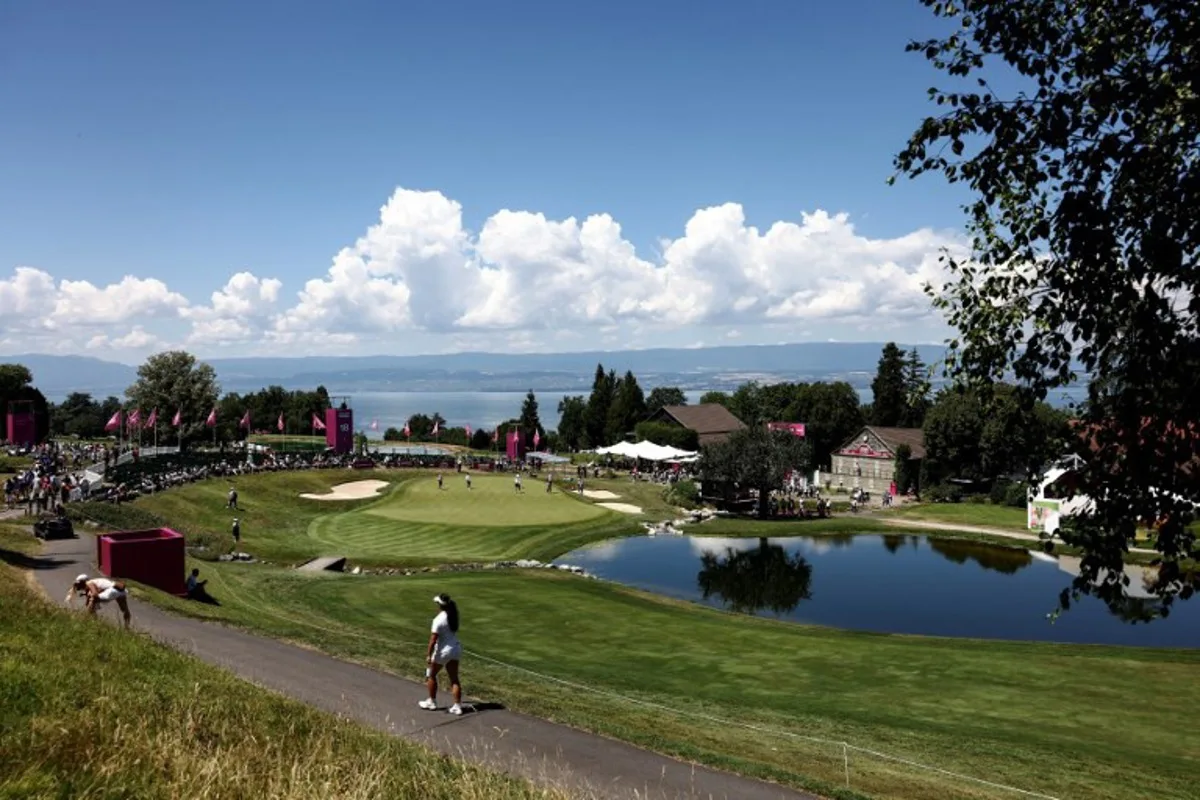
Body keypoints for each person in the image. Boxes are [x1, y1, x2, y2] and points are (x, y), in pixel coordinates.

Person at [419, 593, 463, 715]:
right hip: (455, 649)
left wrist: (429, 654)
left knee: (431, 675)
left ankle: (431, 701)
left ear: (440, 605)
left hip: (443, 651)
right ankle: (457, 706)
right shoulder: (453, 615)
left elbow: (433, 639)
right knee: (454, 678)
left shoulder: (438, 620)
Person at [66, 573, 131, 629]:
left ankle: (91, 622)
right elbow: (90, 599)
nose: (78, 586)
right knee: (125, 610)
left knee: (93, 598)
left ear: (83, 581)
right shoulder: (93, 583)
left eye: (79, 584)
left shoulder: (89, 583)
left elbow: (95, 594)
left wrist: (90, 601)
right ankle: (127, 627)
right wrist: (88, 597)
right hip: (120, 591)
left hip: (111, 591)